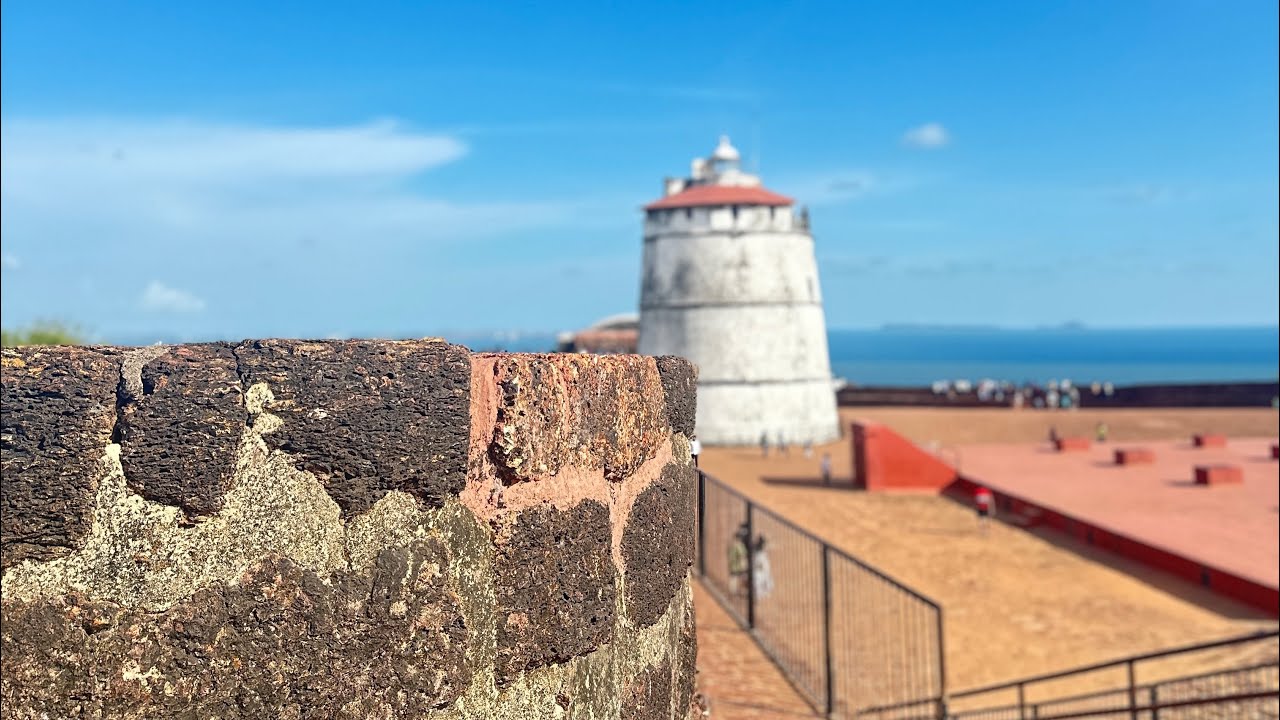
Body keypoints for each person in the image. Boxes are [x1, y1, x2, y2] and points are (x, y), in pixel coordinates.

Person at [727, 524, 750, 597]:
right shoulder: (739, 546)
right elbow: (742, 556)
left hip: (732, 564)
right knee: (743, 579)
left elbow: (729, 554)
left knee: (733, 578)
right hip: (739, 566)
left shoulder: (731, 545)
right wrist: (744, 565)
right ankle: (743, 592)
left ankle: (732, 592)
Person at [752, 536, 774, 600]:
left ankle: (764, 593)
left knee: (764, 580)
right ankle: (759, 595)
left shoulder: (757, 548)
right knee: (759, 582)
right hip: (760, 568)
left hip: (762, 566)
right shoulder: (758, 550)